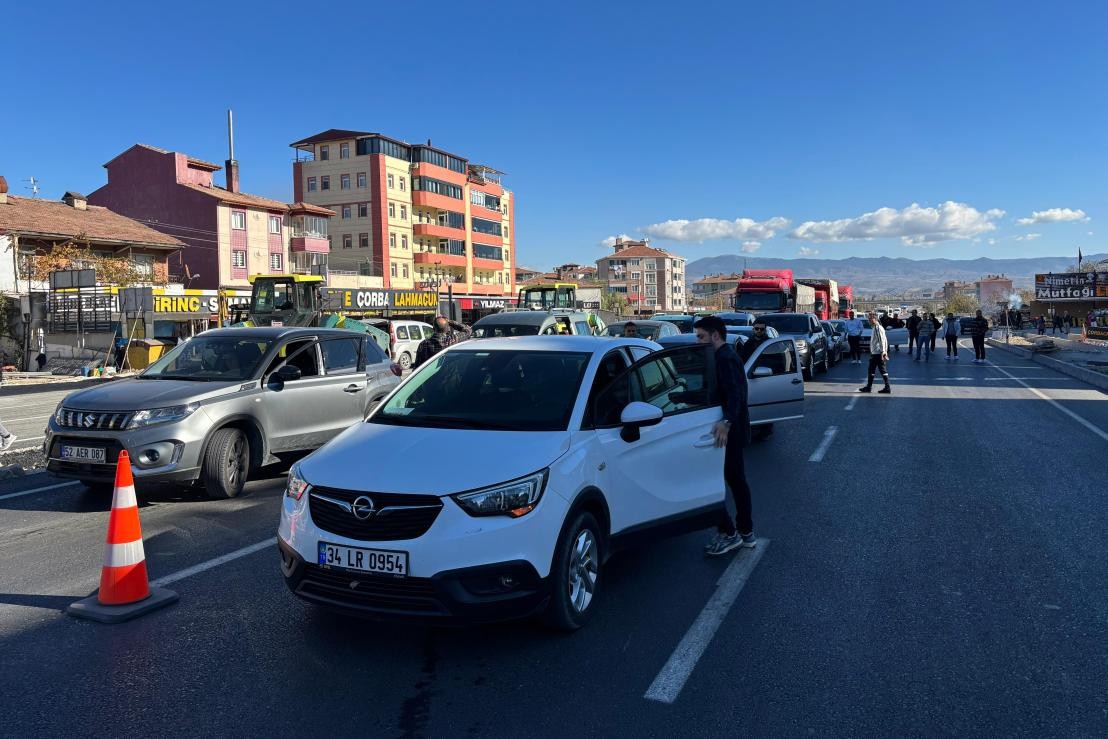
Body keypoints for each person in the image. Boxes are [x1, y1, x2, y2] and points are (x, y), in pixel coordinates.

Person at [695, 315, 756, 557]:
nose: (698, 341)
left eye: (701, 336)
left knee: (720, 482)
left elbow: (736, 394)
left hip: (727, 434)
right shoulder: (718, 356)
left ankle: (733, 533)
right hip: (728, 431)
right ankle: (743, 532)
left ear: (715, 335)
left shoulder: (726, 358)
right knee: (734, 481)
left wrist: (727, 422)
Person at [858, 311, 891, 394]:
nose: (869, 320)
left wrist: (883, 352)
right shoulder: (876, 327)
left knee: (881, 370)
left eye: (870, 318)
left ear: (874, 319)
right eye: (868, 318)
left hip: (877, 353)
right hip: (876, 352)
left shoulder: (877, 328)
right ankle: (869, 387)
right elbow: (883, 340)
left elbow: (881, 340)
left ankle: (887, 387)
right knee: (872, 370)